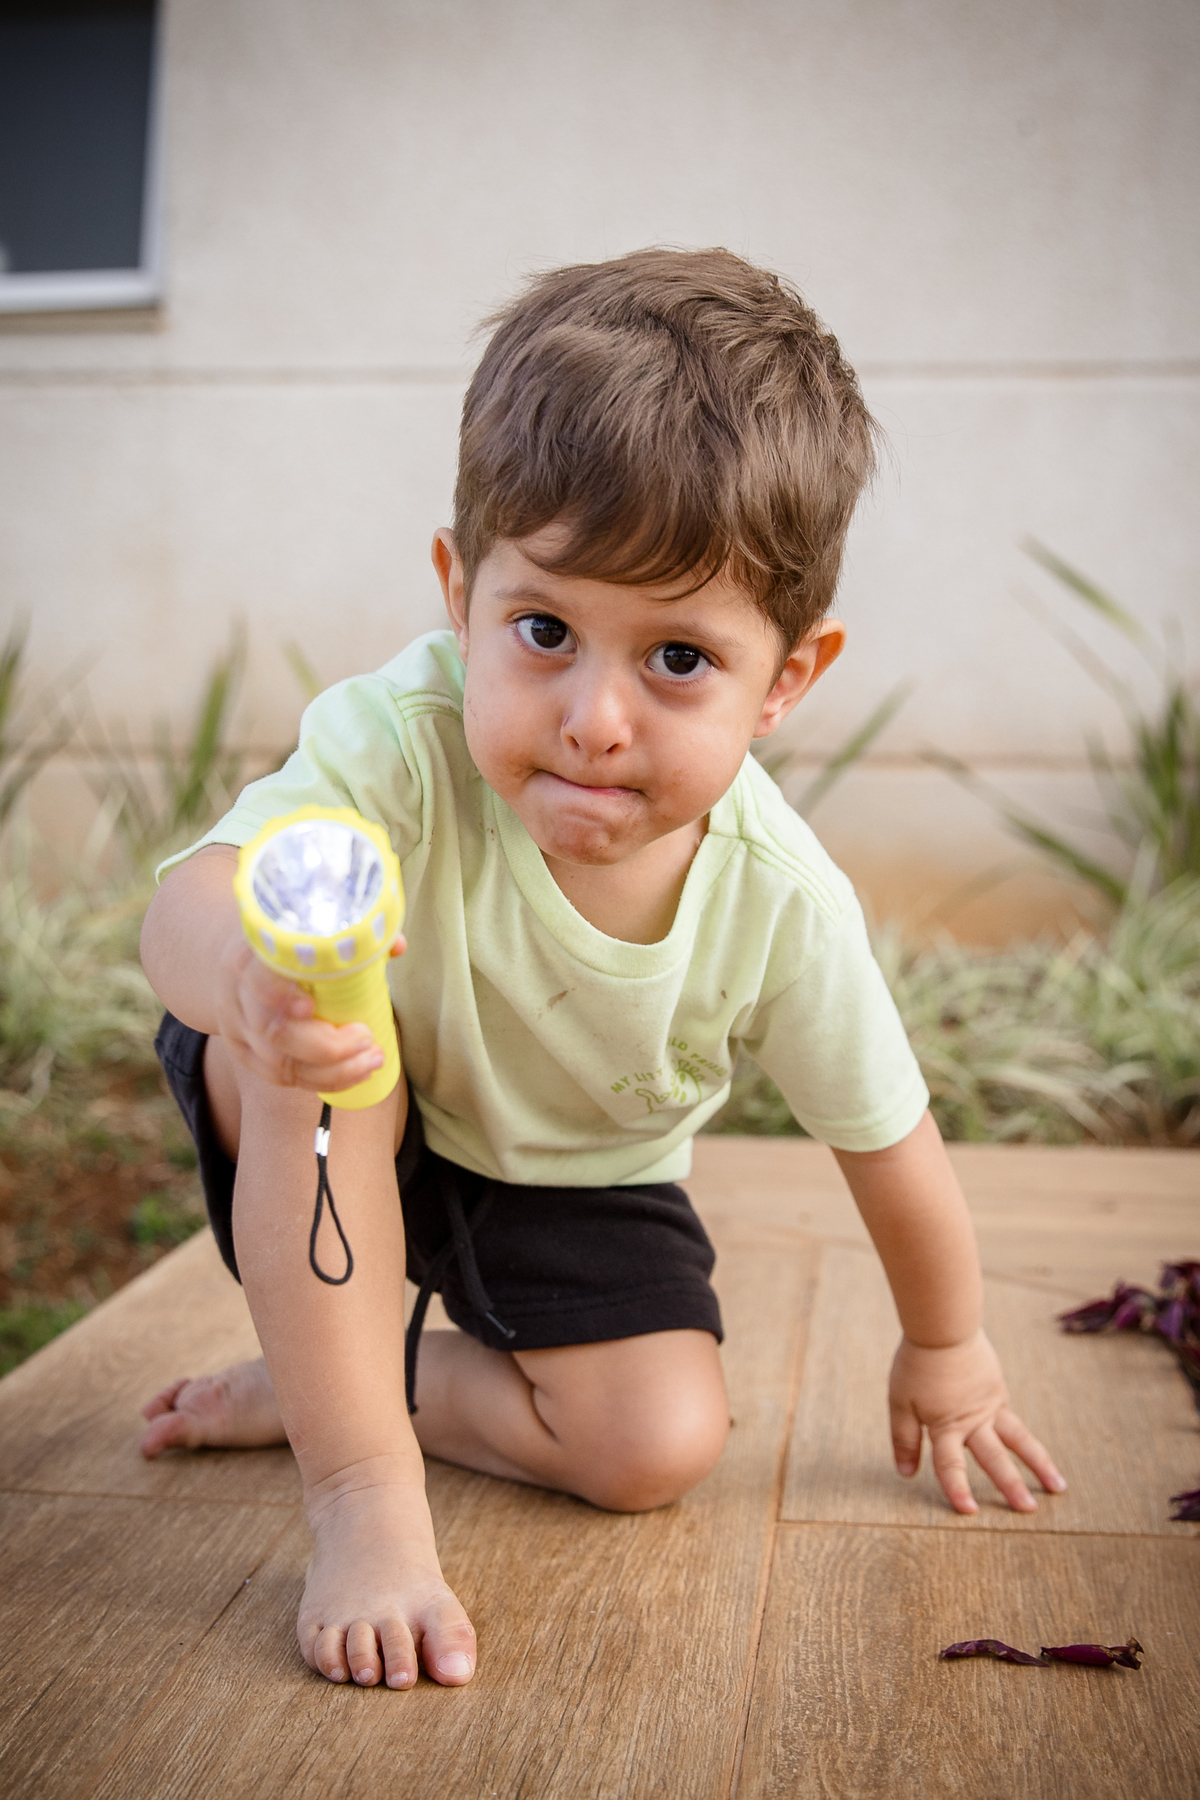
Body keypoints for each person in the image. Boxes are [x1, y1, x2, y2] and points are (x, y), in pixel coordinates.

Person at [138, 247, 1065, 1695]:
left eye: (679, 659)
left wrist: (950, 1348)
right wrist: (245, 976)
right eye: (545, 631)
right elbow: (183, 903)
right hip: (339, 1101)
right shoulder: (398, 741)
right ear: (461, 594)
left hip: (568, 1171)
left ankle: (345, 1379)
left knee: (656, 1446)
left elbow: (890, 1141)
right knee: (321, 1041)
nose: (594, 718)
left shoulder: (777, 899)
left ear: (786, 680)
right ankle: (360, 1487)